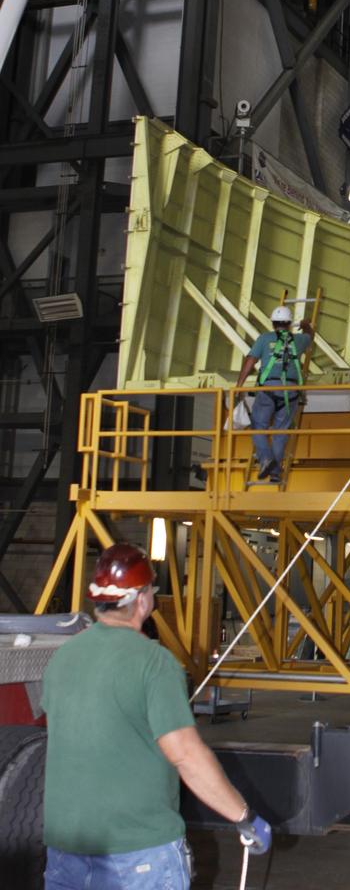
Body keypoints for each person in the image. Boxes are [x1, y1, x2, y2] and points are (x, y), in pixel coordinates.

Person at [41, 544, 271, 890]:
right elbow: (186, 755)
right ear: (142, 598)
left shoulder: (63, 657)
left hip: (65, 852)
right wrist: (243, 816)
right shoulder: (153, 662)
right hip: (138, 854)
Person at [236, 304, 314, 481]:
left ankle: (266, 460)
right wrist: (306, 324)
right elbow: (310, 336)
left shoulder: (264, 339)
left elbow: (251, 360)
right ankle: (275, 473)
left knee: (258, 427)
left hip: (268, 390)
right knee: (281, 431)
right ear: (289, 323)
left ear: (273, 323)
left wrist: (239, 384)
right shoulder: (300, 340)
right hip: (292, 391)